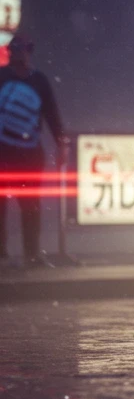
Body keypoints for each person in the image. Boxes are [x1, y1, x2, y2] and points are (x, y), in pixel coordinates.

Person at [0, 34, 65, 267]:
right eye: (17, 48)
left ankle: (32, 254)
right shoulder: (2, 77)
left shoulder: (40, 81)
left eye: (26, 48)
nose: (22, 52)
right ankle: (2, 254)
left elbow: (52, 114)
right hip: (3, 153)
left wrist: (61, 144)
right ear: (11, 51)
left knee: (31, 206)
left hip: (29, 155)